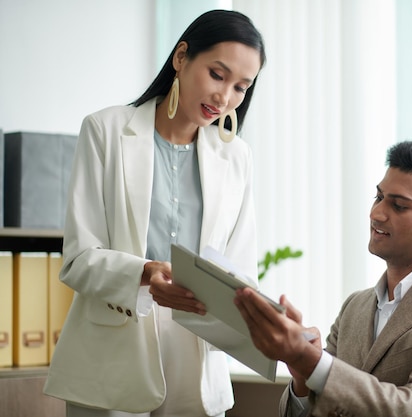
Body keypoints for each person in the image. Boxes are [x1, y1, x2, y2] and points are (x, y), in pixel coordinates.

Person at [43, 9, 266, 417]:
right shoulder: (105, 131)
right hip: (114, 351)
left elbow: (240, 269)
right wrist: (145, 272)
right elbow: (78, 259)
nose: (225, 97)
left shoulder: (237, 157)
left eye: (241, 86)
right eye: (217, 75)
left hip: (198, 356)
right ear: (181, 57)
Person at [234, 139, 412, 417]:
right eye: (379, 197)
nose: (376, 214)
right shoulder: (356, 306)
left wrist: (313, 361)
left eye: (399, 206)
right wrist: (303, 375)